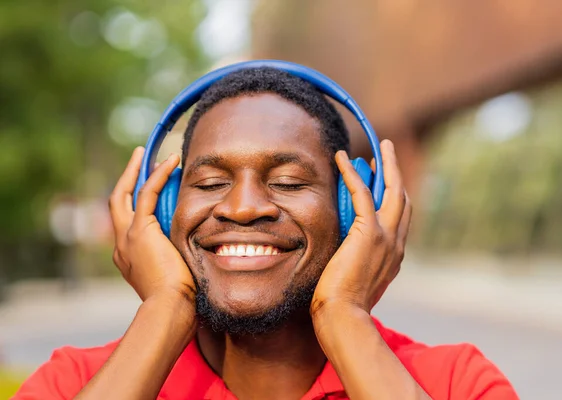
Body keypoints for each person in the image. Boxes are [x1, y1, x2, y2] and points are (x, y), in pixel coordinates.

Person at [14, 67, 518, 400]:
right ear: (165, 208)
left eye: (288, 182)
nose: (243, 207)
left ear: (352, 207)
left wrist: (343, 316)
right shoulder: (77, 382)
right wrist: (164, 307)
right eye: (210, 182)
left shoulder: (454, 383)